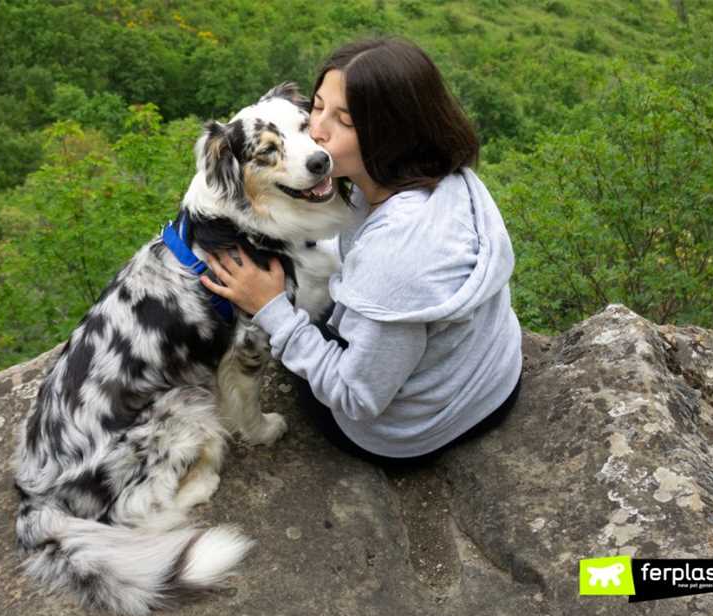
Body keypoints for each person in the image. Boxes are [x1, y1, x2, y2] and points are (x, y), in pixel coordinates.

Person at [200, 37, 522, 469]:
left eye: (344, 121)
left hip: (408, 428)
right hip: (489, 370)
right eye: (315, 108)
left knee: (291, 342)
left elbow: (357, 397)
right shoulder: (442, 173)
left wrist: (272, 309)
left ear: (393, 131)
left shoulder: (397, 259)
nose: (316, 131)